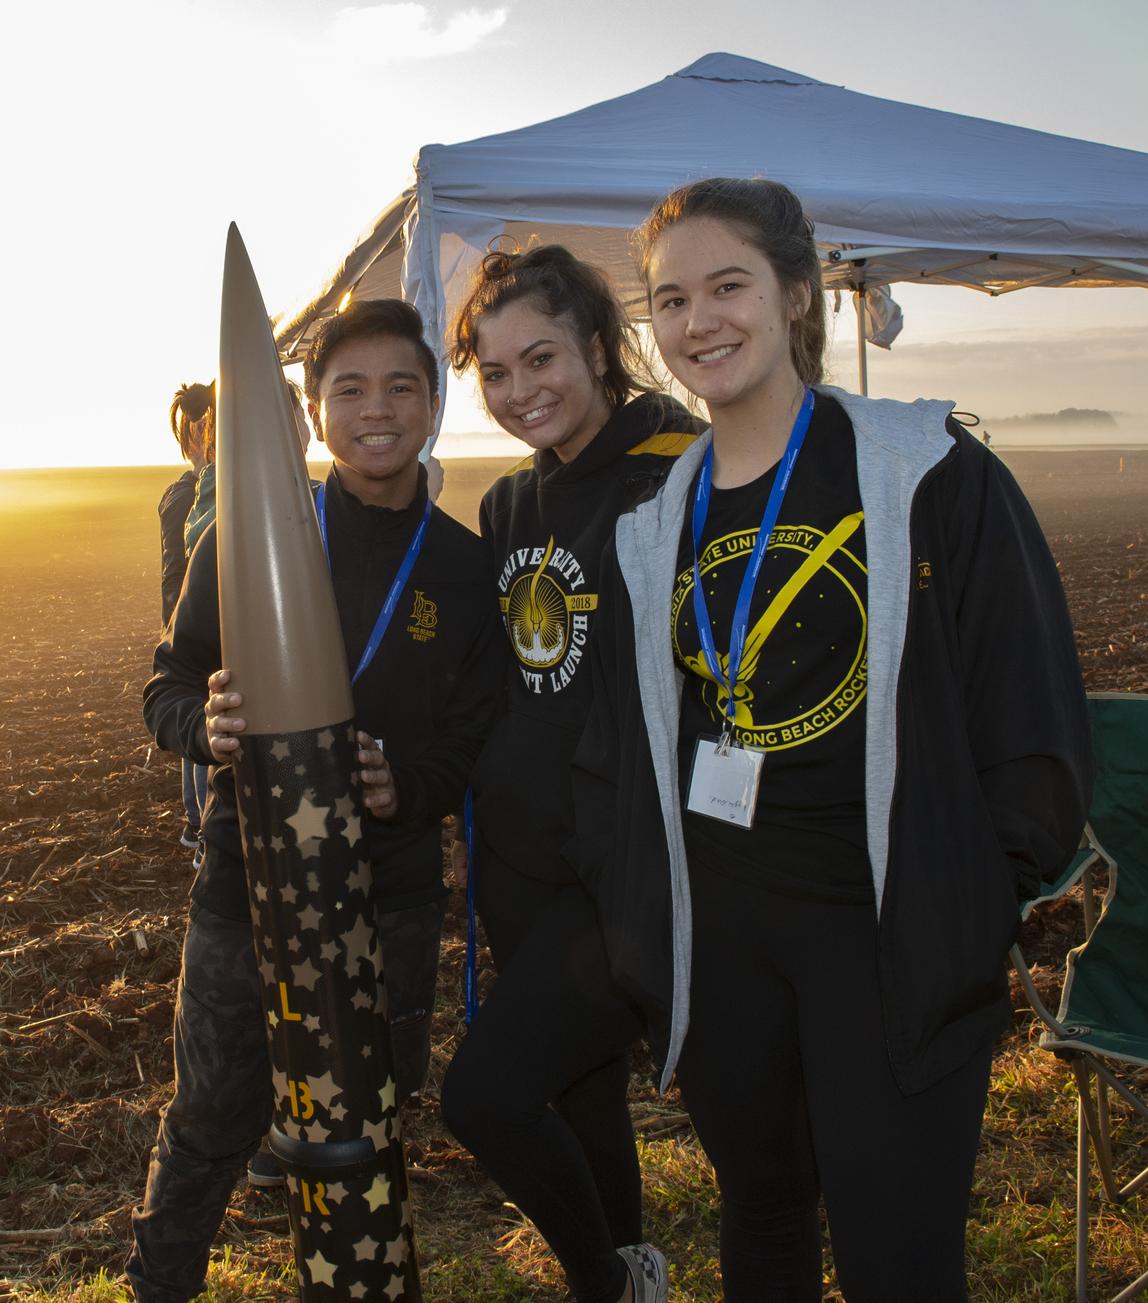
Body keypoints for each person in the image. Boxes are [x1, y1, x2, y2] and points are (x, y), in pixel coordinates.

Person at [573, 177, 1092, 1300]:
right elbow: (623, 744)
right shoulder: (653, 523)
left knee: (893, 1260)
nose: (697, 322)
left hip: (883, 929)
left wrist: (970, 894)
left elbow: (1028, 700)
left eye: (727, 286)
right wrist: (640, 923)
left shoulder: (927, 474)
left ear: (796, 294)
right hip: (722, 934)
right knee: (760, 1222)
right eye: (668, 301)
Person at [127, 299, 502, 1303]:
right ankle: (156, 1285)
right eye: (348, 389)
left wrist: (403, 786)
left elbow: (467, 744)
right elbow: (168, 680)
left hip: (392, 895)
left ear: (431, 402)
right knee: (207, 1117)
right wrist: (196, 727)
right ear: (313, 408)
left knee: (367, 1125)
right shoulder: (248, 538)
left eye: (400, 386)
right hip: (244, 888)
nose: (375, 410)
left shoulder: (466, 572)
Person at [439, 244, 699, 1303]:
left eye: (538, 358)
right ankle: (628, 1264)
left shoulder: (680, 474)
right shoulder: (508, 506)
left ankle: (606, 1284)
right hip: (521, 871)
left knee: (485, 1097)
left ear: (595, 348)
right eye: (494, 374)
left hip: (624, 877)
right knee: (584, 1095)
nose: (517, 391)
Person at [160, 381, 216, 854]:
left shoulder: (185, 492)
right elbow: (176, 571)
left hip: (192, 624)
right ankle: (201, 829)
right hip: (198, 626)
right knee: (205, 732)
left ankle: (196, 824)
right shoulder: (190, 497)